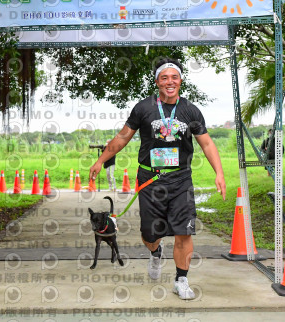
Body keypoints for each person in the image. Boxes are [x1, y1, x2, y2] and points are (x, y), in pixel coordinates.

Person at [89, 57, 226, 300]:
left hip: (180, 179)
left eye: (174, 77)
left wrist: (219, 172)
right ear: (157, 82)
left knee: (184, 232)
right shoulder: (143, 108)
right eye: (164, 78)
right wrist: (101, 161)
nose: (170, 82)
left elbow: (206, 143)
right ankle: (155, 252)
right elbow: (122, 137)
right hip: (150, 180)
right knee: (150, 235)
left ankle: (181, 279)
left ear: (181, 81)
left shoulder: (190, 110)